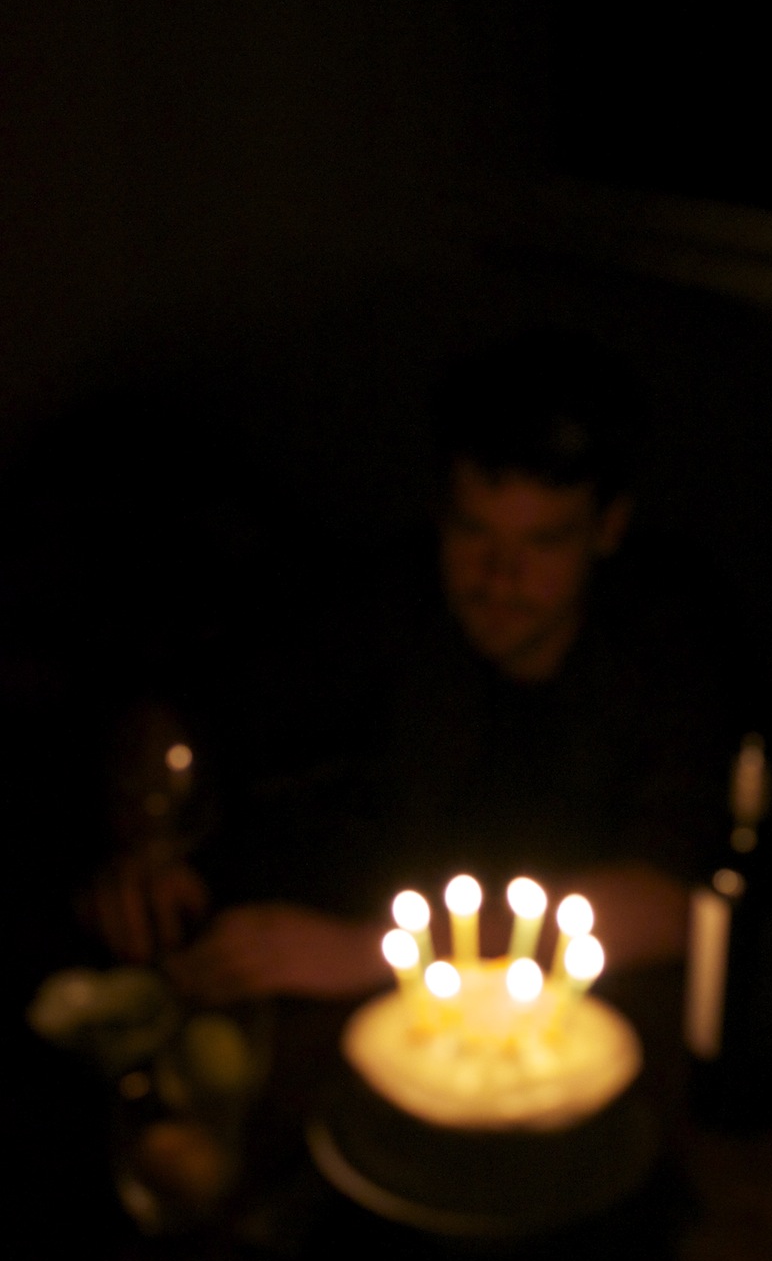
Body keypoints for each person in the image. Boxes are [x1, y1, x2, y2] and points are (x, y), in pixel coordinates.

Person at [88, 329, 733, 1002]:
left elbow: (674, 904)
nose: (498, 577)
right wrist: (151, 840)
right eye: (473, 530)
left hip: (593, 1011)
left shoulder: (670, 639)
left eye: (542, 542)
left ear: (607, 527)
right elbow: (210, 702)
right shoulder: (400, 597)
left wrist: (375, 952)